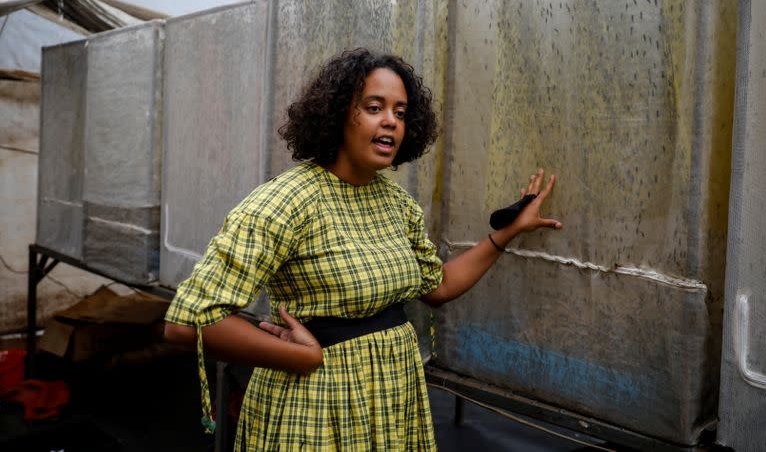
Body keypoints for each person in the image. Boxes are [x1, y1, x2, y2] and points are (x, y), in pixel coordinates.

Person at [163, 48, 562, 451]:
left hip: (391, 402)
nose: (391, 120)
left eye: (401, 113)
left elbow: (436, 287)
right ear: (337, 115)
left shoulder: (396, 202)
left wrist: (507, 233)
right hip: (315, 410)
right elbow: (189, 322)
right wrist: (304, 358)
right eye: (374, 107)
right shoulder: (286, 200)